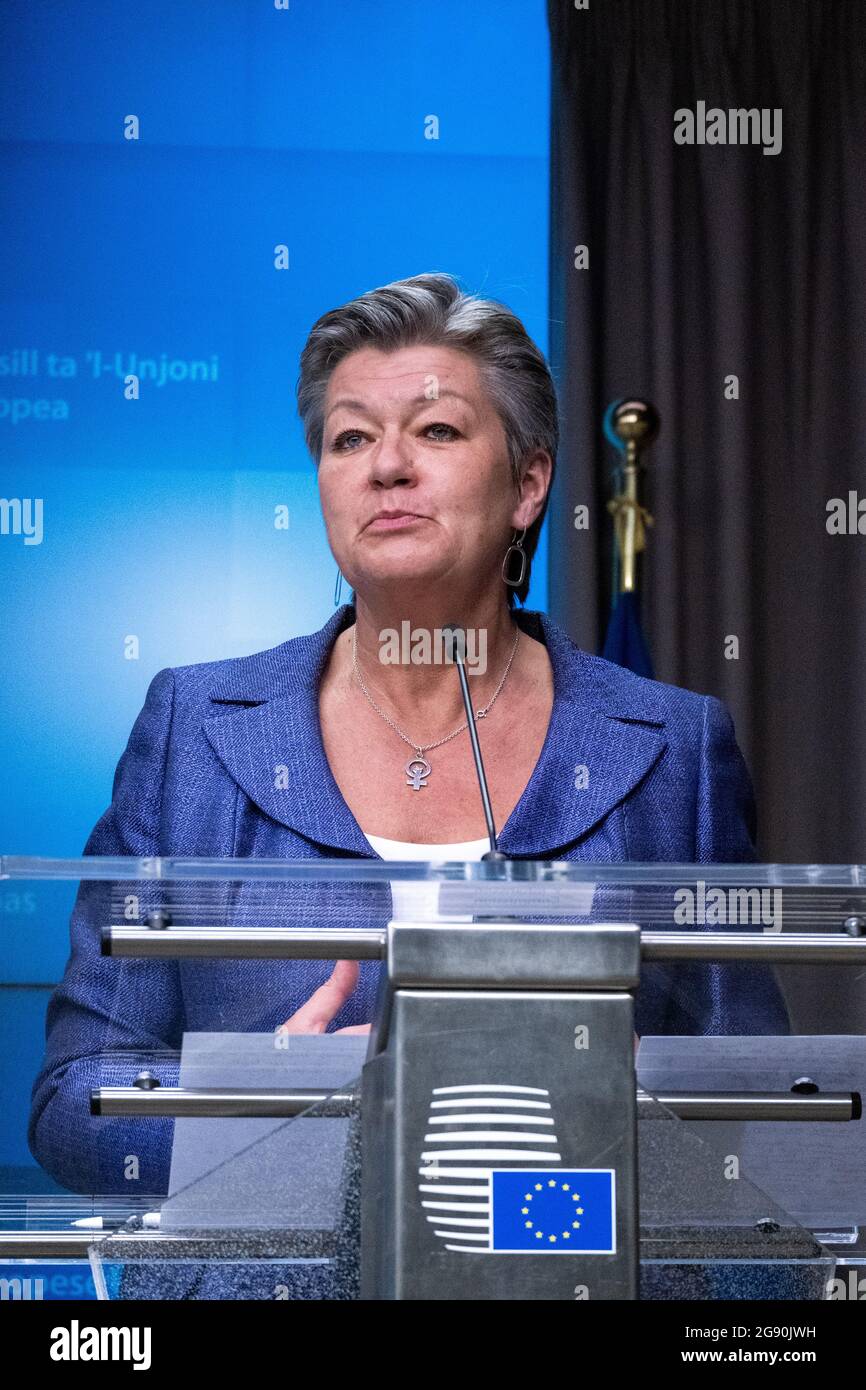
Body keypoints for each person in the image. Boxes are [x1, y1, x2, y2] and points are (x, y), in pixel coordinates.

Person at [28, 272, 789, 1294]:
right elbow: (77, 1097)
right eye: (348, 438)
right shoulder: (193, 731)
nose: (385, 464)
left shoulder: (670, 745)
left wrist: (606, 1117)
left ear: (526, 484)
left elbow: (762, 1107)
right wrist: (265, 1115)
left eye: (433, 430)